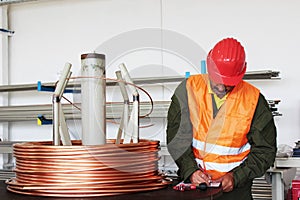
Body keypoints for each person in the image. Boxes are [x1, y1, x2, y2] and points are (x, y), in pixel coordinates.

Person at [166, 38, 277, 199]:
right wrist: (190, 171)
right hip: (195, 188)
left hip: (236, 192)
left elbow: (265, 151)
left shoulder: (254, 101)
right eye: (216, 82)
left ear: (241, 74)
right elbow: (177, 138)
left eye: (228, 84)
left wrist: (236, 177)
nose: (221, 88)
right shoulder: (188, 90)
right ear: (209, 69)